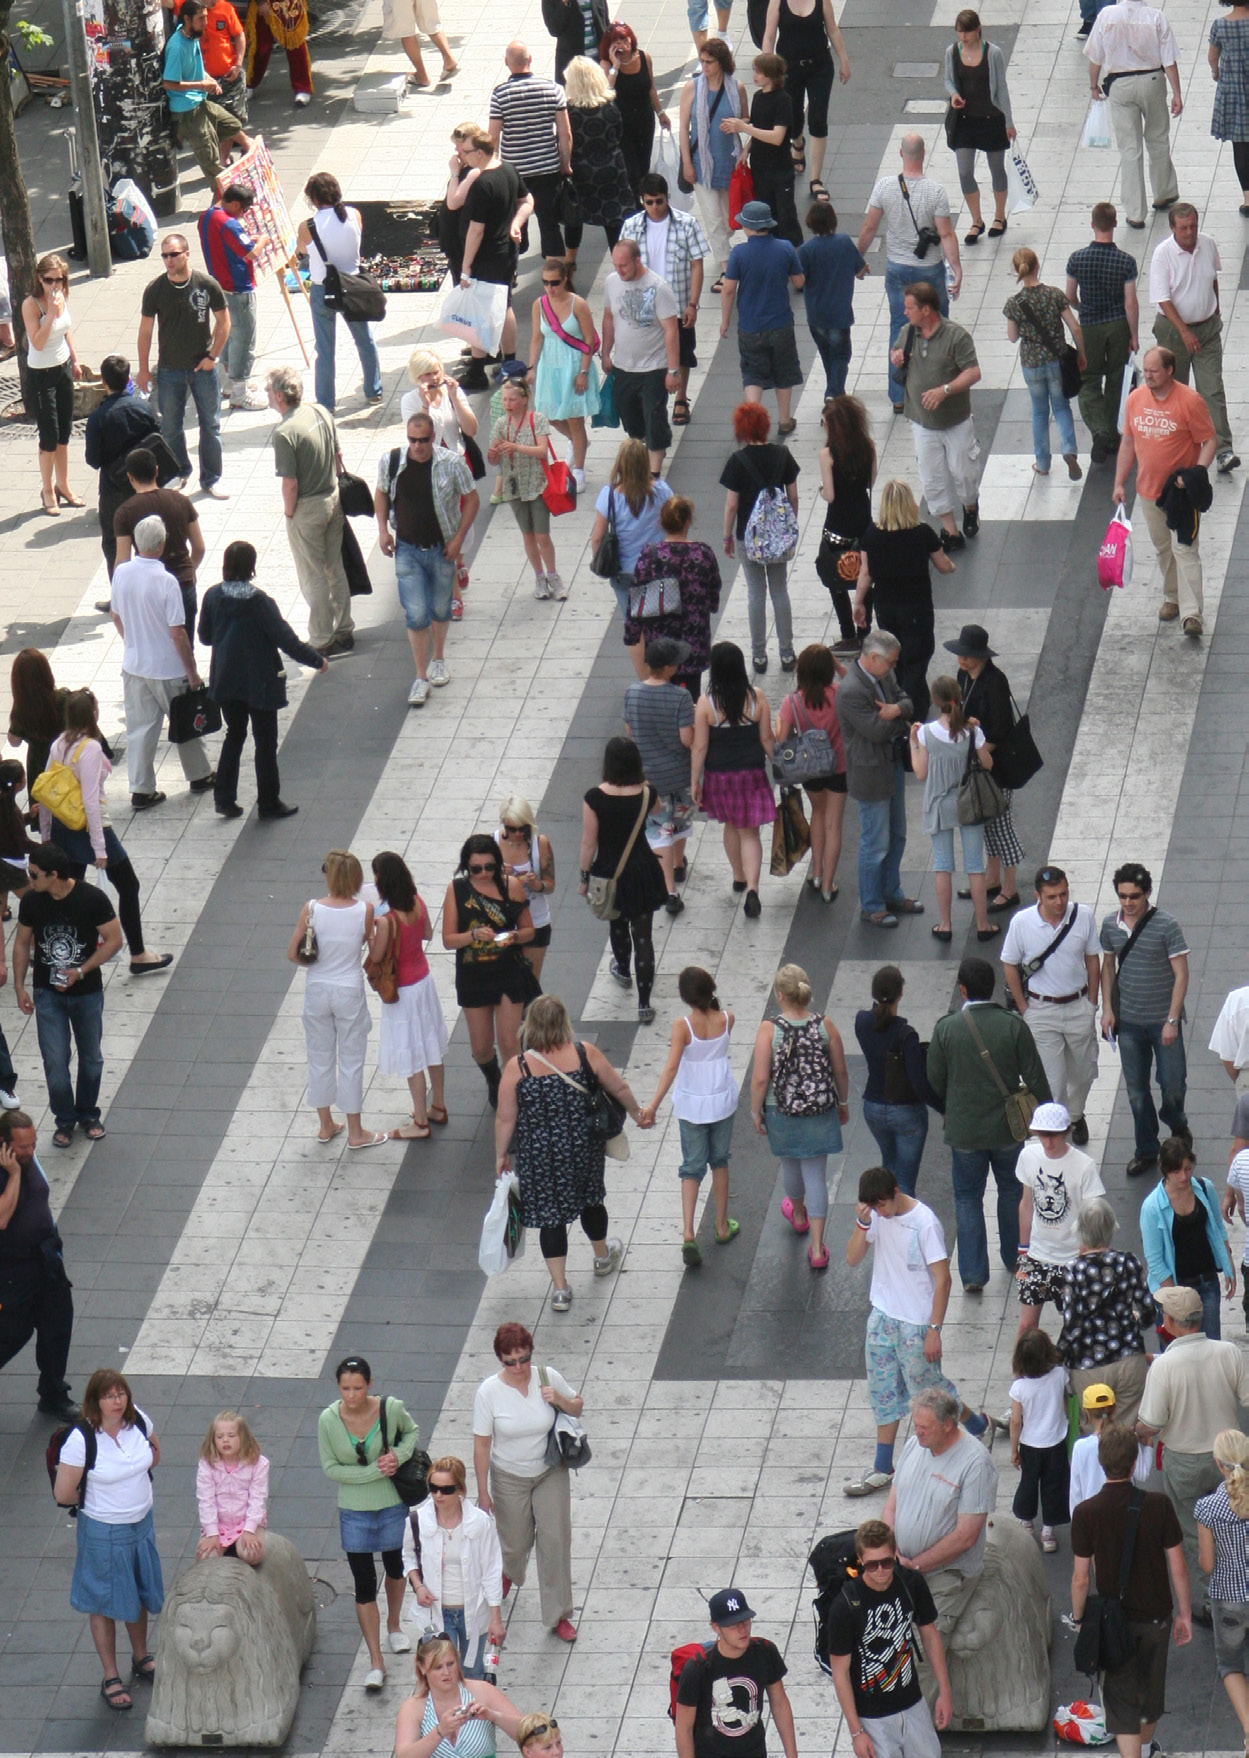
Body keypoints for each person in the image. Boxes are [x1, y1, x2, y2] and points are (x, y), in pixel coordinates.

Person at [844, 1165, 997, 1498]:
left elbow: (943, 1279)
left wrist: (934, 1330)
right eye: (875, 1207)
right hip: (882, 1316)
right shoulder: (876, 1218)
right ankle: (883, 1466)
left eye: (883, 1205)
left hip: (915, 1323)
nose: (881, 1212)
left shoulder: (924, 1223)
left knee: (931, 1394)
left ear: (896, 1192)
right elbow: (853, 1258)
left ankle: (977, 1426)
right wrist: (863, 1222)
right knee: (883, 1392)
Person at [926, 956, 1052, 1293]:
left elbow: (934, 1079)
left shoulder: (946, 1028)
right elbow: (1036, 1076)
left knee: (967, 1198)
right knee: (1012, 1192)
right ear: (993, 987)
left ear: (962, 989)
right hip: (1008, 1129)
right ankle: (1013, 1257)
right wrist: (1049, 1117)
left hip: (965, 1130)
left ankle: (972, 1275)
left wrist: (949, 1107)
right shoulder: (1012, 1025)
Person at [497, 996, 638, 1298]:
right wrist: (639, 1114)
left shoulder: (517, 1068)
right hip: (582, 1148)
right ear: (564, 1023)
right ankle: (602, 1257)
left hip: (538, 1157)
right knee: (591, 1201)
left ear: (530, 1026)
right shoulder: (584, 1053)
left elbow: (505, 1118)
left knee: (552, 1218)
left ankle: (560, 1289)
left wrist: (501, 1155)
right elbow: (619, 1088)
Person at [1069, 1422, 1192, 1758]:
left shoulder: (1085, 1513)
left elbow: (1081, 1578)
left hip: (1114, 1622)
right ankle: (1147, 1747)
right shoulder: (1159, 1505)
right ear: (1136, 1463)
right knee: (1150, 1699)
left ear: (1100, 1462)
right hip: (1156, 1618)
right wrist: (1184, 1613)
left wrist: (1080, 1619)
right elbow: (1178, 1566)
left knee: (1121, 1706)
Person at [1136, 1282, 1249, 1621]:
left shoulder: (1164, 1367)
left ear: (1169, 1322)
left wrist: (1135, 1433)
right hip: (1229, 1460)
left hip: (1183, 1462)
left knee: (1193, 1531)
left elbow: (1151, 1423)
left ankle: (1210, 1600)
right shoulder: (1228, 1352)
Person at [37, 694, 171, 981]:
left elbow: (46, 790)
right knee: (128, 884)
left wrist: (47, 833)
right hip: (88, 828)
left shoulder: (59, 744)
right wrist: (100, 846)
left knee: (68, 889)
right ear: (94, 713)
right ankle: (138, 953)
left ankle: (59, 951)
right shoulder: (91, 749)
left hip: (62, 826)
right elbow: (90, 801)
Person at [53, 1369, 162, 1713]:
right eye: (109, 1396)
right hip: (103, 1531)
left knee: (139, 1592)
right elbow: (64, 1493)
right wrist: (104, 1499)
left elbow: (154, 1453)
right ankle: (110, 1674)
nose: (118, 1401)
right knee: (103, 1601)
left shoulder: (139, 1421)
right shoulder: (81, 1439)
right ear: (95, 1401)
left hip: (141, 1524)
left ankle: (141, 1656)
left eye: (121, 1394)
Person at [199, 538, 327, 819]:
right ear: (251, 568)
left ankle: (224, 798)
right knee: (265, 741)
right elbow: (287, 641)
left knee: (234, 735)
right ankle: (268, 801)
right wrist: (317, 660)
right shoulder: (260, 603)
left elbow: (205, 636)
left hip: (226, 682)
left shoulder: (211, 596)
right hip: (260, 684)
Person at [472, 1320, 583, 1640]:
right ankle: (510, 1570)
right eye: (511, 1361)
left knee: (555, 1541)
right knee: (515, 1541)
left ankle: (559, 1613)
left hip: (550, 1470)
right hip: (509, 1476)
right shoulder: (489, 1392)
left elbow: (577, 1406)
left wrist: (560, 1399)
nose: (519, 1367)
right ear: (501, 1360)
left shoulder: (547, 1376)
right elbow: (482, 1444)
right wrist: (483, 1492)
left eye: (524, 1358)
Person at [318, 1356, 421, 1689]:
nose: (351, 1395)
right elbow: (331, 1468)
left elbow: (411, 1434)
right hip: (354, 1509)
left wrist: (398, 1457)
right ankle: (376, 1661)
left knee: (395, 1567)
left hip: (391, 1502)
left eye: (358, 1388)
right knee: (364, 1582)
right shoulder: (328, 1420)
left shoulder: (390, 1409)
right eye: (345, 1388)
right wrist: (371, 1472)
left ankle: (394, 1625)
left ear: (369, 1385)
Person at [750, 962, 850, 1271]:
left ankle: (797, 1215)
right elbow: (840, 1070)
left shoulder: (769, 1029)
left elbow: (760, 1079)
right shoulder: (825, 1025)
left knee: (790, 1163)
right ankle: (818, 1249)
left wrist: (757, 1111)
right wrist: (842, 1101)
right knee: (816, 1174)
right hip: (820, 1109)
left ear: (780, 995)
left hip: (780, 1110)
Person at [110, 515, 214, 808]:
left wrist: (131, 642)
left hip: (134, 665)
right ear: (161, 544)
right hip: (168, 669)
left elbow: (115, 615)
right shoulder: (167, 581)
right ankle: (199, 774)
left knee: (140, 730)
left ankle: (141, 789)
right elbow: (177, 633)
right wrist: (192, 673)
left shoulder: (122, 573)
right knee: (185, 724)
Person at [287, 850, 387, 1151]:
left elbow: (293, 953)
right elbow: (368, 947)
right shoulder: (365, 910)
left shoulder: (312, 908)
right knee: (352, 1060)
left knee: (319, 1056)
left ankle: (325, 1124)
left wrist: (318, 968)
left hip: (318, 989)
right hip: (349, 990)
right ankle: (356, 1131)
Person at [1113, 347, 1217, 637]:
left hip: (1180, 495)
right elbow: (1128, 443)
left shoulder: (1190, 401)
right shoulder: (1135, 399)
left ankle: (1192, 614)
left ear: (1170, 370)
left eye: (1154, 371)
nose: (1147, 376)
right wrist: (1119, 482)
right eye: (1145, 370)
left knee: (1184, 549)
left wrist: (1196, 473)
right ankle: (1172, 597)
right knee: (1163, 549)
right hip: (1148, 491)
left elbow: (1209, 440)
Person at [826, 1520, 952, 1758]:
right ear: (861, 1561)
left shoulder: (910, 1583)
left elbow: (929, 1634)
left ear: (895, 1555)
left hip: (912, 1701)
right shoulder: (845, 1606)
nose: (881, 1571)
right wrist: (856, 1732)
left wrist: (944, 1691)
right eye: (872, 1565)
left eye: (886, 1562)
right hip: (872, 1715)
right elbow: (840, 1672)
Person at [376, 411, 479, 704]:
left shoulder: (451, 463)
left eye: (423, 440)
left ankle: (438, 659)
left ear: (433, 437)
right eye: (412, 440)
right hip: (407, 548)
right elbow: (381, 493)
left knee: (440, 608)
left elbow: (472, 499)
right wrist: (383, 531)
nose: (417, 445)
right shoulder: (392, 461)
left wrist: (458, 539)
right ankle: (420, 676)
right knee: (416, 612)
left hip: (441, 547)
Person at [1099, 860, 1191, 1179]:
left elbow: (1181, 974)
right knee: (1137, 1092)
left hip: (1163, 1022)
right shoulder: (1110, 926)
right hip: (1129, 1024)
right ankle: (1147, 1149)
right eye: (1122, 896)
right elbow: (1107, 967)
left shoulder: (1166, 924)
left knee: (1173, 1087)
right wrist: (1107, 1010)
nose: (1128, 902)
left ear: (1147, 893)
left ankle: (1178, 1128)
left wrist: (1172, 1020)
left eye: (1134, 896)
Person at [642, 966, 739, 1262]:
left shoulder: (682, 1026)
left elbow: (671, 1067)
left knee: (691, 1168)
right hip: (722, 1101)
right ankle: (722, 1226)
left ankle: (688, 1233)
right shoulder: (727, 1019)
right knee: (719, 1161)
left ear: (686, 997)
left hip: (692, 1105)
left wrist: (653, 1106)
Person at [880, 1387, 999, 1632]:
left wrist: (914, 1566)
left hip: (946, 1573)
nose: (918, 1432)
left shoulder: (976, 1464)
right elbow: (891, 1505)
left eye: (925, 1427)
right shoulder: (915, 1445)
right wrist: (893, 1553)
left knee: (922, 1647)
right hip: (901, 1563)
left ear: (948, 1424)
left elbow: (965, 1537)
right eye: (915, 1425)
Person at [858, 136, 960, 413]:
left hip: (897, 269)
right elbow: (946, 234)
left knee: (899, 327)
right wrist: (957, 268)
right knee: (938, 327)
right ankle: (937, 386)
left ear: (901, 153)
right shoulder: (935, 192)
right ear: (924, 154)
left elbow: (869, 228)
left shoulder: (885, 187)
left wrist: (859, 260)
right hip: (929, 269)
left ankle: (899, 394)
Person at [1001, 866, 1102, 1141]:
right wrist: (1024, 1008)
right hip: (1041, 1010)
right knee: (1053, 1081)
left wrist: (1092, 1001)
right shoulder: (1022, 923)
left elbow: (1093, 959)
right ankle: (1059, 1131)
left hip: (1079, 1005)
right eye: (1052, 897)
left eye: (1063, 894)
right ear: (1038, 896)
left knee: (1083, 1072)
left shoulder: (1083, 916)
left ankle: (1077, 1115)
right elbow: (1009, 963)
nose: (1059, 902)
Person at [442, 835, 539, 1109]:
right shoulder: (457, 889)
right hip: (473, 975)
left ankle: (516, 1095)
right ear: (466, 868)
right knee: (481, 1048)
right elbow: (448, 939)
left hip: (508, 971)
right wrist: (473, 935)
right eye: (476, 869)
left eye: (489, 867)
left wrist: (513, 937)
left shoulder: (512, 887)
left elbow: (530, 930)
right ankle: (494, 1078)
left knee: (510, 1043)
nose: (484, 874)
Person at [267, 364, 355, 657]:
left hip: (307, 507)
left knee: (313, 574)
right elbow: (338, 455)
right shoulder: (320, 411)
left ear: (280, 396)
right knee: (335, 567)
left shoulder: (284, 432)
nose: (267, 394)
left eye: (268, 390)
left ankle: (321, 637)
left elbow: (290, 483)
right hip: (332, 498)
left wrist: (290, 514)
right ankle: (345, 629)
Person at [579, 737, 669, 1023]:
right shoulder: (646, 793)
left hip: (610, 870)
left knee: (616, 922)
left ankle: (622, 969)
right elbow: (659, 810)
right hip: (642, 868)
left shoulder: (594, 797)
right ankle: (644, 1003)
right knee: (644, 935)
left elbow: (588, 843)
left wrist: (584, 877)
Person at [136, 231, 230, 497]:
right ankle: (179, 471)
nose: (169, 260)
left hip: (202, 368)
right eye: (164, 255)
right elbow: (145, 331)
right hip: (169, 369)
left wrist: (213, 356)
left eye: (174, 255)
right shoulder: (155, 290)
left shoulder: (206, 284)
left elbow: (225, 322)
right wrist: (143, 369)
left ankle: (211, 478)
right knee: (170, 425)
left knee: (210, 424)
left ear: (186, 254)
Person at [1149, 202, 1240, 474]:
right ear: (1173, 228)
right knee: (1175, 390)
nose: (1190, 233)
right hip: (1174, 331)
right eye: (1184, 228)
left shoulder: (1208, 244)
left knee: (1211, 387)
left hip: (1207, 329)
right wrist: (1184, 331)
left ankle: (1223, 449)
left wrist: (1216, 309)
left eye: (1193, 227)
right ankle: (1175, 447)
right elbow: (1162, 299)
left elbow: (1212, 278)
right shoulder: (1162, 255)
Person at [892, 282, 982, 553]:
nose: (905, 312)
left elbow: (973, 372)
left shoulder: (956, 336)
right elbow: (896, 352)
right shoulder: (907, 332)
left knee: (964, 473)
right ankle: (950, 531)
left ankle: (969, 506)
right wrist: (896, 356)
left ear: (927, 309)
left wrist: (945, 390)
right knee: (931, 477)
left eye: (910, 308)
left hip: (956, 420)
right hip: (922, 421)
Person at [836, 630, 917, 931]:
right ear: (873, 658)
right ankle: (872, 905)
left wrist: (896, 710)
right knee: (875, 843)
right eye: (891, 662)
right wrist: (901, 717)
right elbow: (877, 730)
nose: (894, 668)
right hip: (871, 774)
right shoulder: (851, 692)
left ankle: (891, 893)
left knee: (897, 835)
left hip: (891, 764)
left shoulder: (883, 677)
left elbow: (908, 700)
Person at [856, 479, 955, 720]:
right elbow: (944, 565)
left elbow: (866, 573)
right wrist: (952, 566)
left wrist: (858, 603)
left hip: (886, 608)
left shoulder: (871, 535)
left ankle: (907, 700)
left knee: (896, 658)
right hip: (917, 609)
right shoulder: (922, 533)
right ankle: (910, 710)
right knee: (918, 657)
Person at [908, 674, 996, 941]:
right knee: (975, 866)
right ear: (958, 697)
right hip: (970, 801)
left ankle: (945, 925)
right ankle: (982, 925)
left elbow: (920, 773)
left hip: (938, 804)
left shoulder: (925, 733)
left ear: (935, 701)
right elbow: (988, 764)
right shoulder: (972, 731)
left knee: (943, 865)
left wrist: (913, 742)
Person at [0, 1110, 76, 1418]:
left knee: (58, 1324)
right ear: (4, 1144)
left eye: (33, 1144)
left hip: (45, 1260)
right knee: (12, 1332)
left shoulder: (31, 1160)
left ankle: (53, 1392)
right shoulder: (11, 1169)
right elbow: (3, 1218)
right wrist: (14, 1174)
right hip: (12, 1270)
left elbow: (42, 1199)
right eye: (23, 1146)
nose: (30, 1151)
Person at [944, 623, 1025, 911]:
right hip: (977, 760)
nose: (962, 659)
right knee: (987, 822)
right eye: (961, 654)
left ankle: (1010, 886)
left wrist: (978, 753)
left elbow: (1001, 729)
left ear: (981, 655)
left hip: (996, 764)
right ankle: (992, 878)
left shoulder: (995, 681)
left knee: (1002, 824)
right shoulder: (963, 677)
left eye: (967, 655)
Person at [619, 176, 711, 424]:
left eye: (659, 201)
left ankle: (681, 399)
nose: (655, 207)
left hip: (678, 302)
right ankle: (650, 397)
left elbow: (697, 265)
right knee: (646, 352)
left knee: (683, 352)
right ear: (642, 201)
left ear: (667, 198)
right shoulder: (631, 227)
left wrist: (693, 303)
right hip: (643, 305)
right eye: (649, 202)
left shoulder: (686, 224)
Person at [691, 642, 774, 916]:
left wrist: (695, 780)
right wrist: (782, 767)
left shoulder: (706, 704)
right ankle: (753, 888)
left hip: (720, 776)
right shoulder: (757, 697)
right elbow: (766, 739)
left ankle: (738, 876)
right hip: (752, 774)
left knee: (730, 825)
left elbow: (700, 747)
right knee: (749, 831)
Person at [370, 851, 448, 1141]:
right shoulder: (418, 903)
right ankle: (437, 1105)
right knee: (431, 1045)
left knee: (412, 1051)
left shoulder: (388, 920)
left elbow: (378, 956)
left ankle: (419, 1121)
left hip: (403, 990)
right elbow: (427, 934)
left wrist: (372, 937)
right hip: (424, 982)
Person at [400, 1460, 505, 1678]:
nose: (438, 1495)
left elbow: (492, 1571)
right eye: (433, 1488)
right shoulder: (417, 1520)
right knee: (442, 1675)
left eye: (446, 1489)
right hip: (438, 1611)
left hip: (473, 1611)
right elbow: (408, 1554)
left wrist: (496, 1619)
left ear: (461, 1490)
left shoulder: (480, 1523)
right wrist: (418, 1586)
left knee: (473, 1674)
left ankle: (474, 1712)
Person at [1085, 0, 1181, 230]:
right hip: (1153, 80)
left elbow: (1094, 58)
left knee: (1130, 149)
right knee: (1158, 137)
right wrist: (1177, 93)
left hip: (1120, 84)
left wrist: (1093, 86)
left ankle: (1136, 212)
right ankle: (1163, 192)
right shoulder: (1156, 17)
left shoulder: (1107, 16)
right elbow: (1169, 60)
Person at [1058, 1196, 1153, 1427]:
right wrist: (1136, 1322)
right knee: (1127, 1434)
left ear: (1079, 1231)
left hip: (1088, 1366)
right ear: (1111, 1227)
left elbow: (1071, 1326)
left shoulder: (1072, 1271)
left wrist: (1057, 1355)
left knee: (1095, 1433)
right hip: (1129, 1359)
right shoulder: (1128, 1262)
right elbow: (1149, 1311)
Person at [720, 401, 799, 673]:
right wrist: (789, 526)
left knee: (755, 593)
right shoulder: (782, 454)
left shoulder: (737, 461)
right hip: (777, 537)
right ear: (766, 426)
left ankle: (759, 656)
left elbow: (732, 505)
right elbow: (794, 496)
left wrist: (726, 536)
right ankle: (787, 653)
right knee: (780, 591)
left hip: (748, 537)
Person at [673, 1586, 798, 1758]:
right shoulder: (698, 1669)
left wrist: (792, 1754)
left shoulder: (765, 1652)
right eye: (732, 1625)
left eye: (745, 1620)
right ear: (716, 1627)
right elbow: (684, 1728)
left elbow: (780, 1703)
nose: (742, 1629)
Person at [1014, 1102, 1105, 1334]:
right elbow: (1026, 1204)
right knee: (1025, 1326)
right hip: (1036, 1255)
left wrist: (1084, 1255)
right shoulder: (1028, 1155)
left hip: (1072, 1258)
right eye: (1043, 1136)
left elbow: (1092, 1214)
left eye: (1054, 1136)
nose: (1048, 1142)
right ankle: (1021, 1371)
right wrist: (1023, 1251)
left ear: (1066, 1133)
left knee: (1076, 1327)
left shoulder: (1084, 1166)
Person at [454, 129, 534, 391]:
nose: (461, 155)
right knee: (505, 303)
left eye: (465, 151)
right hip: (506, 252)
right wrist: (516, 224)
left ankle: (477, 372)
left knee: (480, 310)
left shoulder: (482, 184)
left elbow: (476, 230)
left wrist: (466, 266)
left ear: (479, 152)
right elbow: (528, 200)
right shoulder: (509, 170)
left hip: (486, 256)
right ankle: (510, 362)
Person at [296, 174, 383, 412]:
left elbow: (301, 251)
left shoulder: (308, 226)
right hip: (354, 285)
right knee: (364, 339)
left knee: (325, 348)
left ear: (313, 198)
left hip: (324, 289)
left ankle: (325, 401)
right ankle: (373, 389)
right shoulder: (354, 215)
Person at [624, 636, 697, 910]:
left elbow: (629, 731)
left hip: (649, 779)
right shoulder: (681, 697)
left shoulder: (632, 692)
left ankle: (671, 883)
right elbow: (687, 740)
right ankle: (675, 873)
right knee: (679, 823)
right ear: (668, 667)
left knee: (658, 830)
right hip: (680, 775)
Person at [854, 966, 940, 1198]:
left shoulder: (861, 1021)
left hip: (872, 1107)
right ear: (900, 992)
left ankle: (885, 1223)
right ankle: (903, 1226)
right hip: (905, 1112)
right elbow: (920, 1085)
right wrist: (945, 1109)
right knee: (905, 1182)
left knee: (889, 1167)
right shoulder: (906, 1035)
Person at [719, 202, 804, 436]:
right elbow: (799, 282)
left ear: (747, 226)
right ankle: (785, 419)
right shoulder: (785, 248)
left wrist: (725, 321)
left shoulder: (739, 253)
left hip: (750, 326)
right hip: (781, 323)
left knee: (752, 374)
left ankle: (754, 424)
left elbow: (727, 290)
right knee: (783, 371)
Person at [1065, 201, 1140, 464]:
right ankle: (1112, 433)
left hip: (1089, 327)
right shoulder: (1126, 262)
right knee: (1117, 380)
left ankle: (1099, 432)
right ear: (1116, 223)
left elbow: (1069, 296)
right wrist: (1134, 335)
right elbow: (1130, 302)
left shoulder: (1077, 259)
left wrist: (1081, 308)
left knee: (1089, 380)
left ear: (1092, 224)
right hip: (1118, 324)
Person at [1003, 247, 1086, 479]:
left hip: (1031, 364)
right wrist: (1081, 354)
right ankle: (1069, 450)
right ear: (1037, 264)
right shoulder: (1054, 294)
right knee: (1061, 407)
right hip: (1057, 361)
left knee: (1040, 412)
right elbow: (1075, 327)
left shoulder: (1013, 303)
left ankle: (1043, 462)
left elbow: (1011, 337)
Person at [600, 240, 681, 476]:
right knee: (631, 420)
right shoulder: (612, 282)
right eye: (615, 265)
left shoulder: (659, 287)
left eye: (623, 265)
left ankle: (654, 470)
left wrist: (673, 370)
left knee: (654, 415)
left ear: (637, 261)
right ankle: (646, 449)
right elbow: (608, 317)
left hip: (653, 367)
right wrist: (606, 353)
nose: (619, 270)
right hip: (624, 366)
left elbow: (671, 330)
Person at [629, 497, 721, 702]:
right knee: (691, 695)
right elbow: (714, 590)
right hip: (694, 640)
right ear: (688, 521)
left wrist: (632, 633)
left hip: (660, 640)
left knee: (661, 692)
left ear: (662, 522)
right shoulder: (703, 553)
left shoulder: (650, 554)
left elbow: (636, 598)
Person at [1140, 1137, 1233, 1337]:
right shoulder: (1152, 1207)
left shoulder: (1204, 1188)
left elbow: (1218, 1228)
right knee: (1175, 1352)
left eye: (1188, 1169)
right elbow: (1155, 1262)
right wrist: (1176, 1299)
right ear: (1165, 1170)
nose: (1184, 1176)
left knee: (1210, 1346)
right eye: (1176, 1171)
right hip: (1175, 1287)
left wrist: (1228, 1266)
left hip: (1207, 1281)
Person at [774, 644, 846, 901]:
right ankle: (828, 885)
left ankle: (816, 873)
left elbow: (781, 740)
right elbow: (862, 688)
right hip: (839, 767)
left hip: (810, 769)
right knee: (834, 824)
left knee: (818, 812)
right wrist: (839, 666)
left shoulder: (792, 701)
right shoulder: (838, 694)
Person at [760, 0, 850, 203]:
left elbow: (832, 30)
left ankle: (816, 179)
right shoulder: (778, 2)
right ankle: (798, 144)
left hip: (820, 66)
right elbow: (769, 35)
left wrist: (843, 59)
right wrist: (767, 66)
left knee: (818, 119)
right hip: (789, 68)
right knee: (793, 117)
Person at [489, 42, 572, 262]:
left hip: (515, 173)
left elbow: (493, 137)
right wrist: (565, 164)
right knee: (549, 224)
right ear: (530, 59)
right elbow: (565, 133)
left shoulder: (500, 94)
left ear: (507, 63)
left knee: (515, 223)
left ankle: (512, 270)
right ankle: (557, 276)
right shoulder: (553, 88)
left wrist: (493, 169)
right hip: (547, 168)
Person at [84, 357, 163, 579]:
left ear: (105, 382)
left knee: (113, 542)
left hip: (113, 490)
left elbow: (93, 460)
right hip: (145, 486)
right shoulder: (144, 408)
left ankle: (119, 596)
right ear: (128, 379)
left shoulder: (98, 418)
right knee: (146, 541)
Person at [113, 448, 204, 635]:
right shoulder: (181, 501)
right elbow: (199, 547)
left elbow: (122, 561)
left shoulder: (125, 512)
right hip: (182, 583)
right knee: (185, 645)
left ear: (130, 477)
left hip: (148, 588)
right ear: (156, 471)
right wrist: (190, 569)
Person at [488, 378, 564, 602]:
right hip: (514, 486)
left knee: (542, 534)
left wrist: (515, 447)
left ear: (524, 399)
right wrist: (493, 455)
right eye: (504, 399)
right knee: (528, 534)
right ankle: (539, 577)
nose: (507, 403)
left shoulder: (536, 419)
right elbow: (493, 459)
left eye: (512, 399)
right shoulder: (501, 424)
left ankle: (553, 575)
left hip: (537, 484)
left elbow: (542, 451)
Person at [678, 40, 749, 281]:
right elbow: (684, 128)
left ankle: (725, 250)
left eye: (710, 61)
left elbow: (747, 120)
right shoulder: (692, 87)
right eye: (702, 61)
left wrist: (739, 127)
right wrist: (687, 162)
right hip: (701, 164)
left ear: (722, 62)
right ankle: (725, 266)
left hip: (729, 162)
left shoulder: (737, 87)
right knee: (713, 219)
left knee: (731, 220)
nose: (704, 66)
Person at [590, 437, 674, 639]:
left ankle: (645, 668)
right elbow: (675, 524)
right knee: (658, 624)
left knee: (635, 628)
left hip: (624, 572)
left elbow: (597, 537)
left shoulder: (609, 495)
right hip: (657, 567)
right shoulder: (662, 491)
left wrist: (599, 561)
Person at [162, 0, 251, 190]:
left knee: (232, 124)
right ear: (187, 19)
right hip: (187, 109)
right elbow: (169, 83)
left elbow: (197, 67)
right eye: (201, 19)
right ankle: (221, 195)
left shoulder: (192, 37)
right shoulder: (177, 47)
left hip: (201, 100)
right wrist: (203, 84)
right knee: (210, 158)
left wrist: (209, 79)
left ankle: (233, 149)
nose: (206, 22)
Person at [944, 11, 1015, 242]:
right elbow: (948, 79)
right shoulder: (952, 52)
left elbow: (1001, 88)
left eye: (967, 31)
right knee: (965, 171)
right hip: (965, 120)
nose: (962, 36)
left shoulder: (993, 53)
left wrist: (1009, 121)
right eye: (959, 31)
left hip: (991, 119)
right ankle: (976, 220)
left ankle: (999, 216)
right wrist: (954, 94)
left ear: (978, 29)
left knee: (997, 170)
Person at [1196, 1429, 1249, 1739]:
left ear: (1218, 1463)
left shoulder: (1208, 1508)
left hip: (1228, 1599)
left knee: (1230, 1664)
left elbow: (1206, 1564)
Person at [529, 258, 599, 491]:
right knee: (550, 415)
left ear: (565, 279)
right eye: (546, 283)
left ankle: (578, 469)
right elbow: (537, 337)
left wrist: (583, 372)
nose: (550, 288)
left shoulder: (577, 304)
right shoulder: (539, 304)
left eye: (555, 282)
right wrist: (532, 367)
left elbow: (589, 339)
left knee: (574, 418)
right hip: (550, 367)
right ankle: (577, 442)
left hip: (573, 366)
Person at [22, 253, 82, 517]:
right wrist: (51, 315)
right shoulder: (32, 304)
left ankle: (64, 484)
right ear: (39, 279)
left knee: (64, 432)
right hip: (41, 373)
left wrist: (76, 359)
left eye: (60, 279)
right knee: (49, 435)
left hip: (63, 368)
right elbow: (37, 341)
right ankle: (47, 489)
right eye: (49, 280)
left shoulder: (62, 296)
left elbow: (66, 330)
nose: (55, 285)